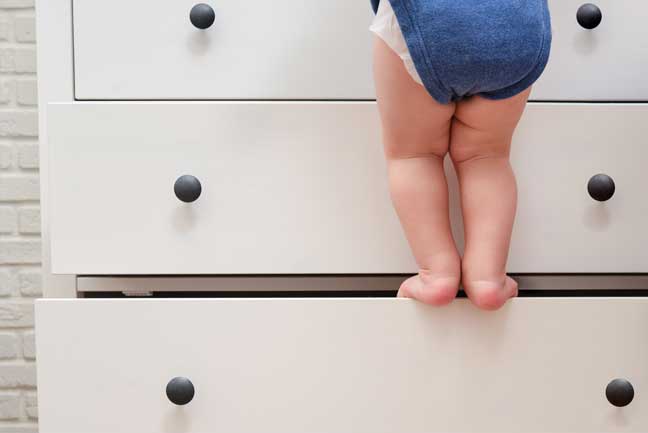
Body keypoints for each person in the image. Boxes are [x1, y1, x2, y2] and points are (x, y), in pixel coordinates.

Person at [370, 0, 552, 310]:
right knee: (487, 156)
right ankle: (487, 279)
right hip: (516, 31)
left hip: (429, 24)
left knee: (414, 155)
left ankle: (436, 274)